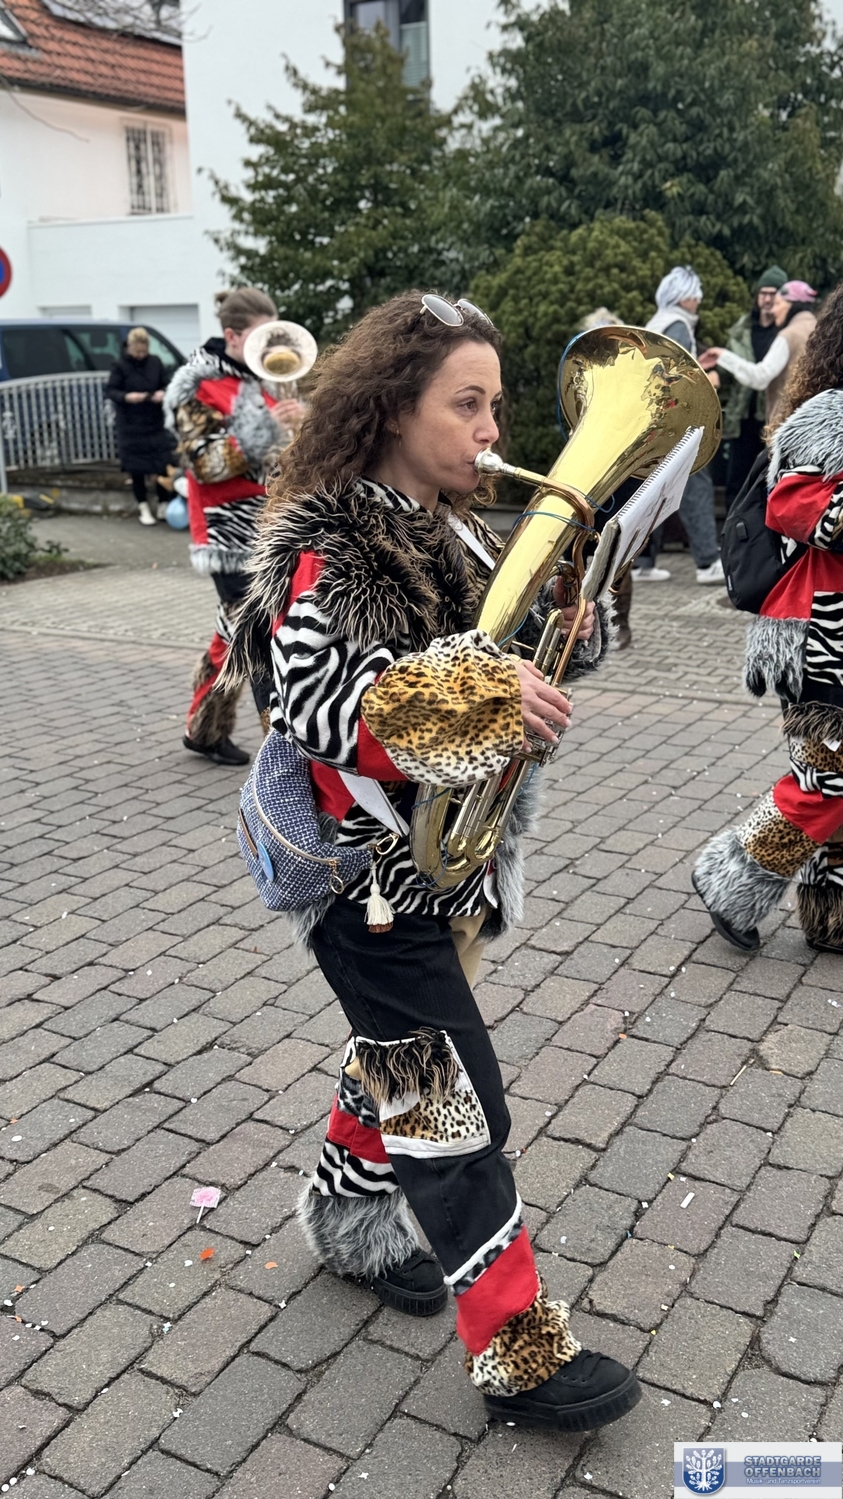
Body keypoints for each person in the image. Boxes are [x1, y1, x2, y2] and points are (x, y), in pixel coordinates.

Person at [226, 290, 640, 1432]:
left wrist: (567, 634)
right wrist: (484, 693)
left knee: (400, 1059)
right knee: (454, 1104)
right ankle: (516, 1348)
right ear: (395, 406)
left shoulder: (452, 527)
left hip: (437, 869)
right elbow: (317, 706)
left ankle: (349, 1222)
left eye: (495, 405)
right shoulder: (335, 544)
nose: (492, 430)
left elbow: (506, 660)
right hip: (363, 877)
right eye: (468, 404)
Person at [693, 283, 843, 955]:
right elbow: (792, 504)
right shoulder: (831, 413)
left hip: (827, 631)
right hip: (820, 634)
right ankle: (730, 878)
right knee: (829, 778)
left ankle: (831, 914)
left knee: (834, 779)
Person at [164, 288, 305, 766]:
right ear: (232, 336)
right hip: (227, 534)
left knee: (236, 631)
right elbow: (206, 464)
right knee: (263, 636)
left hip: (270, 529)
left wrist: (301, 425)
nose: (271, 348)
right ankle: (282, 756)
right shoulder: (195, 387)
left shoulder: (265, 380)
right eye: (261, 337)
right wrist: (266, 428)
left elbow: (281, 461)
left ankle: (204, 730)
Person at [634, 266, 724, 586]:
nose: (698, 301)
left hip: (655, 424)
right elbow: (679, 381)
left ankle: (641, 562)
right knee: (696, 486)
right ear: (684, 296)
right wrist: (709, 379)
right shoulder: (679, 326)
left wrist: (700, 364)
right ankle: (708, 562)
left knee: (654, 492)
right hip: (678, 424)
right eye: (695, 294)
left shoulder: (657, 323)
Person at [700, 279, 818, 431]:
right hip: (816, 424)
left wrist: (723, 356)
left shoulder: (789, 335)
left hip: (789, 425)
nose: (774, 310)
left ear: (791, 305)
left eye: (778, 304)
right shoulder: (820, 330)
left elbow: (760, 377)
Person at [721, 266, 788, 507]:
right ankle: (732, 526)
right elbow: (728, 368)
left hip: (772, 415)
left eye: (773, 293)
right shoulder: (742, 328)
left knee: (768, 477)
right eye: (763, 293)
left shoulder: (785, 332)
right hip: (742, 415)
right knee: (737, 478)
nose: (767, 299)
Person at [105, 327, 176, 526]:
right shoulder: (119, 365)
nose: (140, 355)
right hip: (130, 424)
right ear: (130, 347)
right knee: (136, 468)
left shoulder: (155, 362)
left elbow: (166, 383)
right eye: (137, 352)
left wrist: (162, 393)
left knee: (162, 464)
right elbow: (111, 390)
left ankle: (163, 503)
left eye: (143, 352)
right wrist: (127, 397)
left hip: (154, 421)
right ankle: (143, 506)